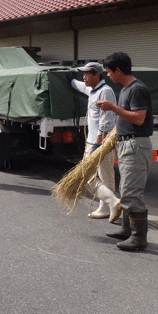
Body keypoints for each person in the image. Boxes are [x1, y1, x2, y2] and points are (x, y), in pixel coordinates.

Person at [97, 52, 153, 251]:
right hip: (126, 144)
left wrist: (112, 108)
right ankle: (127, 230)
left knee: (131, 192)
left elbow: (138, 118)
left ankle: (139, 239)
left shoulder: (137, 89)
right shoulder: (125, 90)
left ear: (118, 71)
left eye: (110, 72)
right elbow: (126, 119)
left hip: (135, 145)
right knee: (126, 189)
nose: (109, 76)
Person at [70, 62, 121, 222]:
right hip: (94, 141)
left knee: (87, 176)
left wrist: (99, 139)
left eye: (87, 74)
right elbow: (81, 87)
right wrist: (71, 80)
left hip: (99, 141)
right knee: (106, 176)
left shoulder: (105, 91)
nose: (84, 77)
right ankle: (106, 208)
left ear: (97, 75)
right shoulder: (93, 90)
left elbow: (108, 118)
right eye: (83, 74)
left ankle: (113, 202)